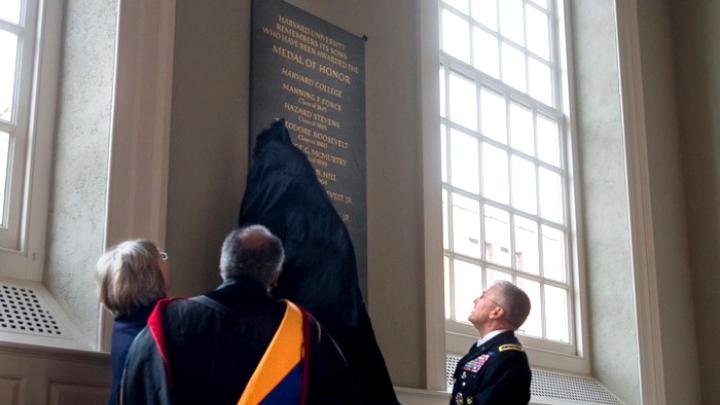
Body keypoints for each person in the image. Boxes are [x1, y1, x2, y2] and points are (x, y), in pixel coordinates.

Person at [121, 225, 350, 405]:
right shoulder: (304, 334)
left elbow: (138, 391)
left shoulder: (168, 324)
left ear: (223, 267)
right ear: (275, 276)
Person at [95, 239, 171, 405]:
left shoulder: (125, 322)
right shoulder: (162, 320)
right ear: (149, 275)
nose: (166, 261)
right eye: (162, 257)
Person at [450, 280, 532, 405]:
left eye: (483, 296)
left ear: (496, 312)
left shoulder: (509, 357)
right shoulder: (484, 348)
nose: (475, 300)